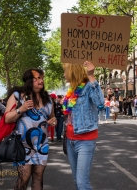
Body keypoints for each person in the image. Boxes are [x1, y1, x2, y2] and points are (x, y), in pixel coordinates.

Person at [5, 68, 56, 190]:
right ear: (29, 81)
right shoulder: (17, 96)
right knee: (24, 178)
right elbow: (7, 118)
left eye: (41, 78)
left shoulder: (48, 99)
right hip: (23, 146)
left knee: (38, 177)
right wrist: (21, 109)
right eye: (37, 78)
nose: (41, 81)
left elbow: (52, 116)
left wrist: (54, 120)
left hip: (42, 146)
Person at [62, 61, 104, 190]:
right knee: (77, 180)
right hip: (70, 140)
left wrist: (91, 76)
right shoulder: (72, 90)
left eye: (65, 71)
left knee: (82, 183)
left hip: (85, 141)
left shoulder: (87, 87)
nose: (64, 75)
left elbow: (100, 103)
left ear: (73, 71)